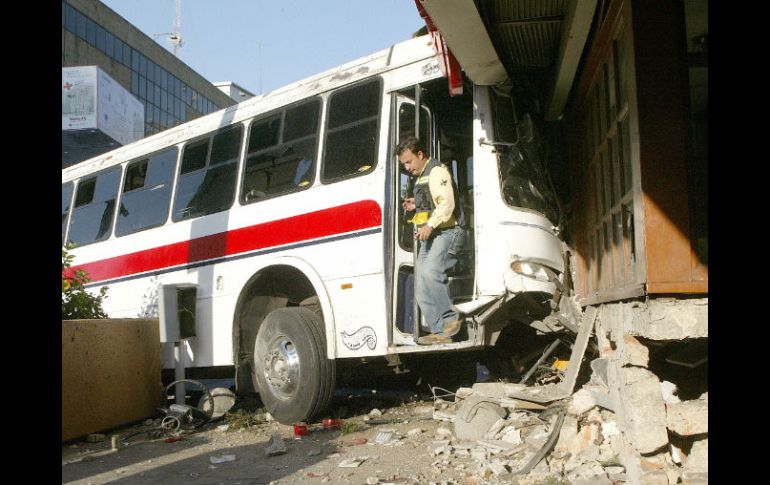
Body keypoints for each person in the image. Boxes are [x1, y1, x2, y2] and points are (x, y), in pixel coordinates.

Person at [396, 136, 465, 345]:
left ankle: (450, 321)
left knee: (431, 272)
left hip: (448, 232)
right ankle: (440, 332)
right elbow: (432, 200)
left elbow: (446, 205)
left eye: (409, 161)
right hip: (433, 236)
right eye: (404, 164)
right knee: (421, 285)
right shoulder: (422, 176)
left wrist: (429, 226)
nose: (407, 167)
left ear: (420, 154)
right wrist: (416, 203)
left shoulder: (437, 172)